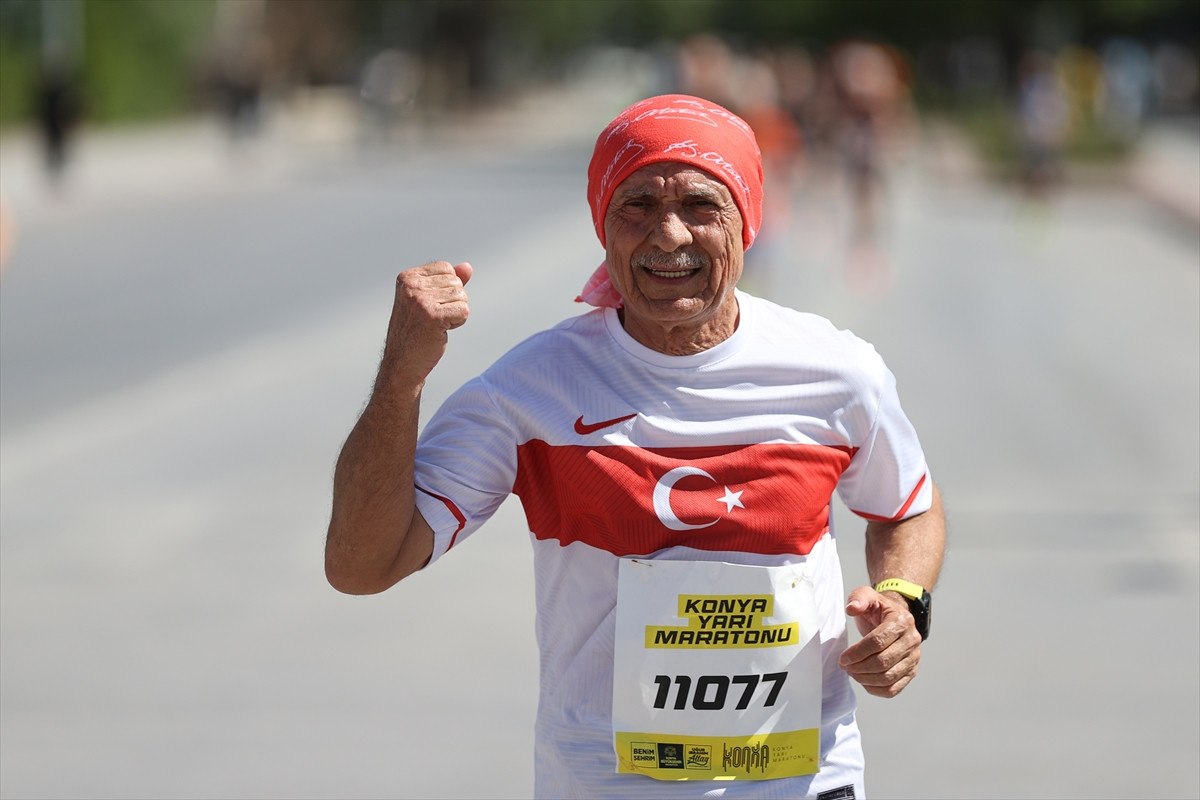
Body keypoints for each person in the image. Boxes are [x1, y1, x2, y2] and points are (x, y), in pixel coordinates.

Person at [326, 94, 945, 799]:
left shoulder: (835, 372)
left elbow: (908, 506)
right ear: (603, 226)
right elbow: (361, 565)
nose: (669, 235)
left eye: (702, 205)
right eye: (638, 206)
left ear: (747, 221)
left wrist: (902, 601)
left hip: (803, 781)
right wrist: (401, 376)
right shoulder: (529, 391)